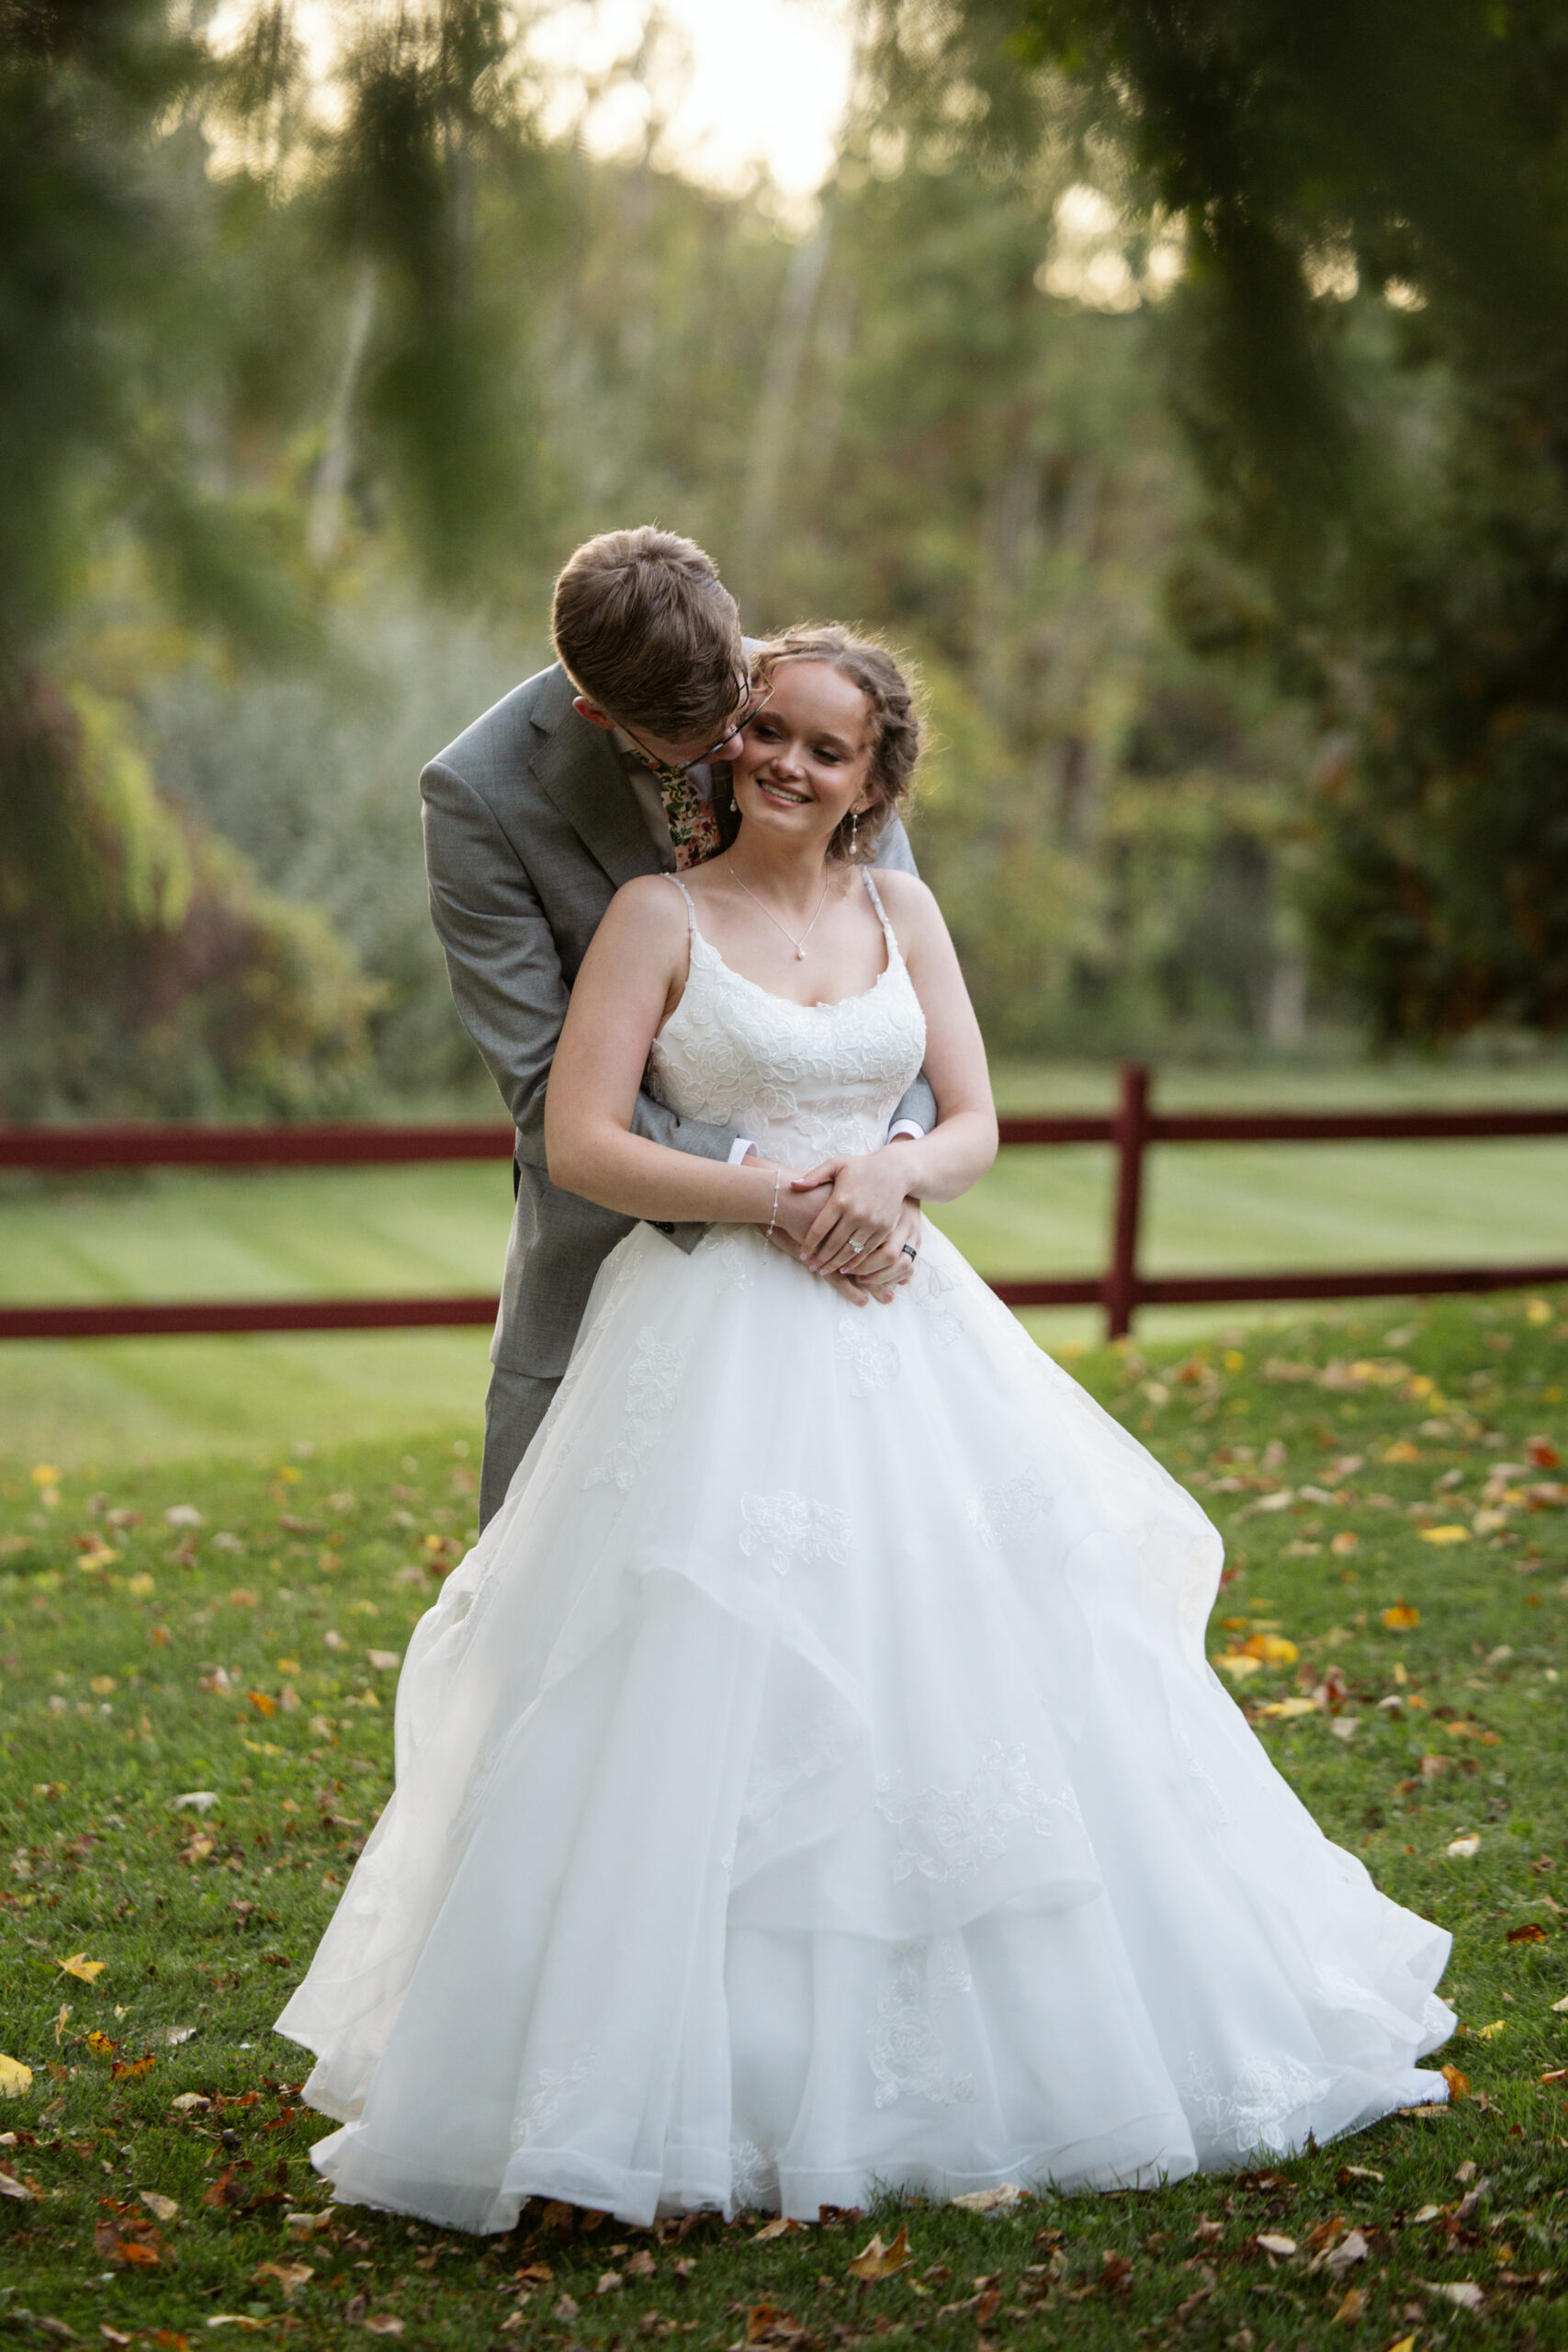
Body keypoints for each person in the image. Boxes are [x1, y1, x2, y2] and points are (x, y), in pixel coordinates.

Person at [278, 628, 1453, 2232]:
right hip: (708, 1337)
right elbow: (583, 1138)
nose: (781, 762)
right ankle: (647, 2080)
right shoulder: (652, 914)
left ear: (872, 782)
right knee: (691, 1686)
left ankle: (995, 2056)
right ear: (722, 736)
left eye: (824, 750)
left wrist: (895, 1176)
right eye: (763, 730)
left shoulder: (902, 906)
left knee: (972, 1670)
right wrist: (778, 1201)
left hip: (905, 1318)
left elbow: (969, 1115)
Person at [419, 527, 933, 1530]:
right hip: (616, 1250)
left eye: (743, 704)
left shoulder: (802, 707)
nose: (747, 751)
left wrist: (887, 1165)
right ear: (596, 712)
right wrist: (770, 1185)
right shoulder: (479, 796)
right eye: (707, 746)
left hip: (852, 1254)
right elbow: (542, 1090)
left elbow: (899, 984)